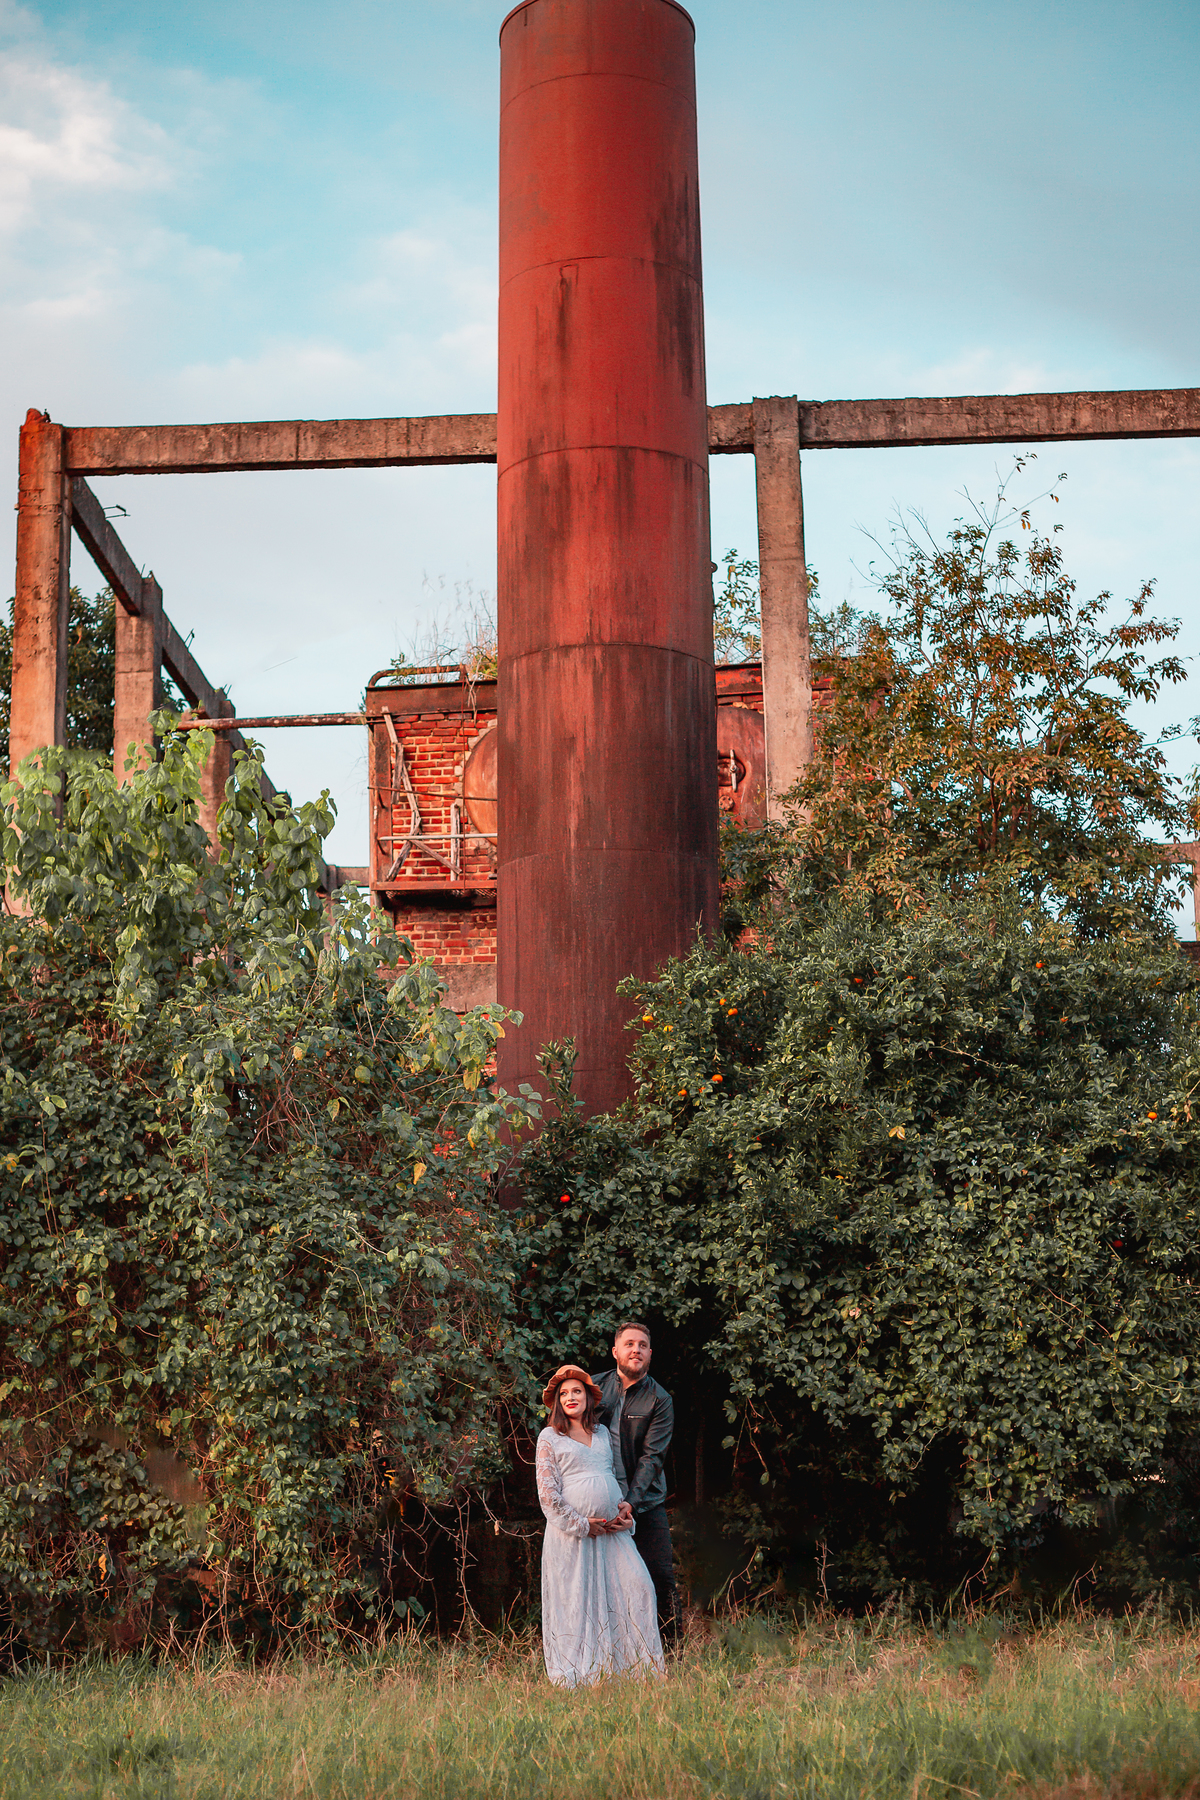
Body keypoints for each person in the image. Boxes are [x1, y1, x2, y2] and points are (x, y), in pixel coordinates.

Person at [535, 1363, 665, 1687]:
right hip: (572, 1536)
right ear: (556, 1402)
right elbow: (548, 1495)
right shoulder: (549, 1437)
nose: (570, 1397)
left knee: (639, 1588)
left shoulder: (603, 1434)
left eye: (576, 1391)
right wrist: (581, 1524)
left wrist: (622, 1508)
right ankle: (582, 1676)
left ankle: (638, 1671)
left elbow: (610, 1477)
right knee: (577, 1603)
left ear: (588, 1397)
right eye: (563, 1393)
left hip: (611, 1533)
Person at [594, 1321, 681, 1643]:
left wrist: (630, 1502)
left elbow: (652, 1458)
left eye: (642, 1345)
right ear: (615, 1351)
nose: (636, 1350)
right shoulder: (593, 1389)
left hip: (644, 1504)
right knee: (600, 1580)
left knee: (659, 1576)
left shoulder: (660, 1399)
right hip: (599, 1502)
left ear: (650, 1353)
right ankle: (609, 1650)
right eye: (629, 1344)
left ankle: (672, 1652)